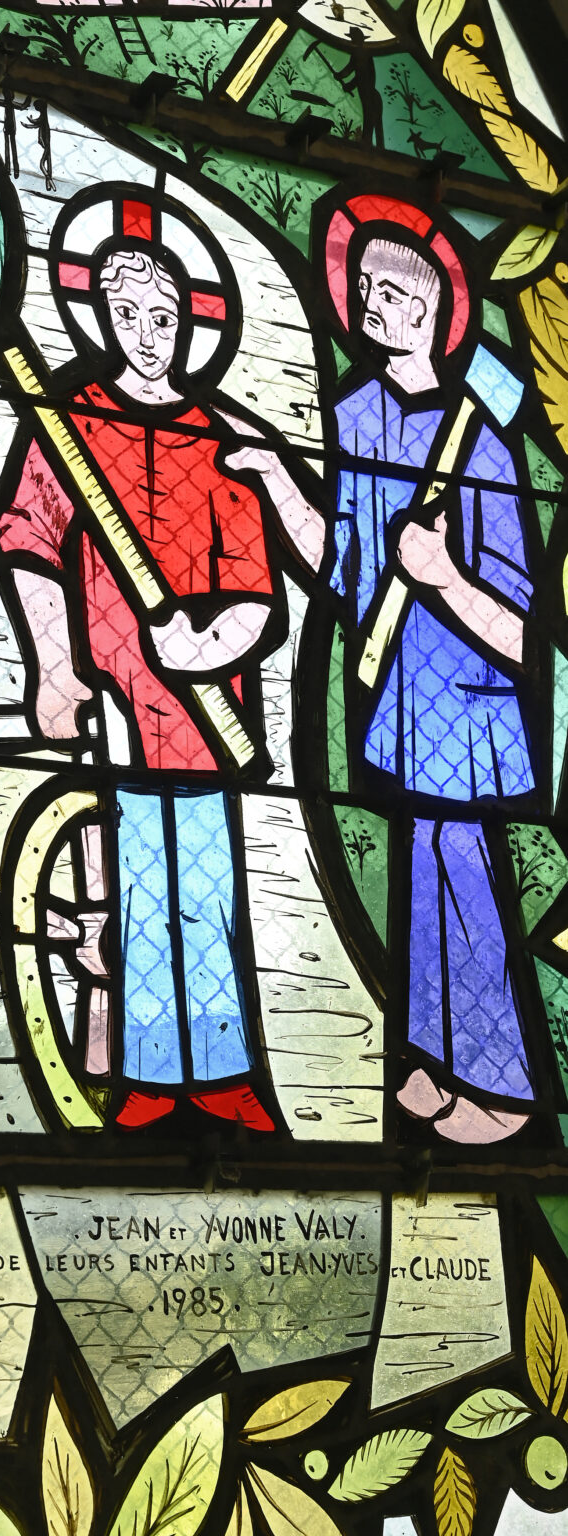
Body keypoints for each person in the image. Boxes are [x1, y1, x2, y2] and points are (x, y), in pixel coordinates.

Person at [0, 197, 322, 1129]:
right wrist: (52, 663)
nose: (147, 333)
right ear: (100, 316)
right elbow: (26, 537)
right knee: (134, 886)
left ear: (189, 322)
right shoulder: (67, 421)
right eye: (127, 313)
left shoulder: (221, 437)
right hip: (113, 695)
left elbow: (256, 588)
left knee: (204, 889)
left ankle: (221, 1076)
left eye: (164, 315)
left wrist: (212, 643)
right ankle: (146, 1074)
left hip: (207, 706)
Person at [232, 199, 537, 1143]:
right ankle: (435, 1063)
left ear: (439, 309)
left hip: (471, 707)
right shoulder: (354, 417)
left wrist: (445, 577)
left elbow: (525, 630)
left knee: (467, 877)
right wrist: (277, 476)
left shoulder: (484, 437)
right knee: (420, 872)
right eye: (365, 286)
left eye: (398, 292)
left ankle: (502, 1084)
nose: (375, 304)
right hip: (400, 698)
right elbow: (343, 569)